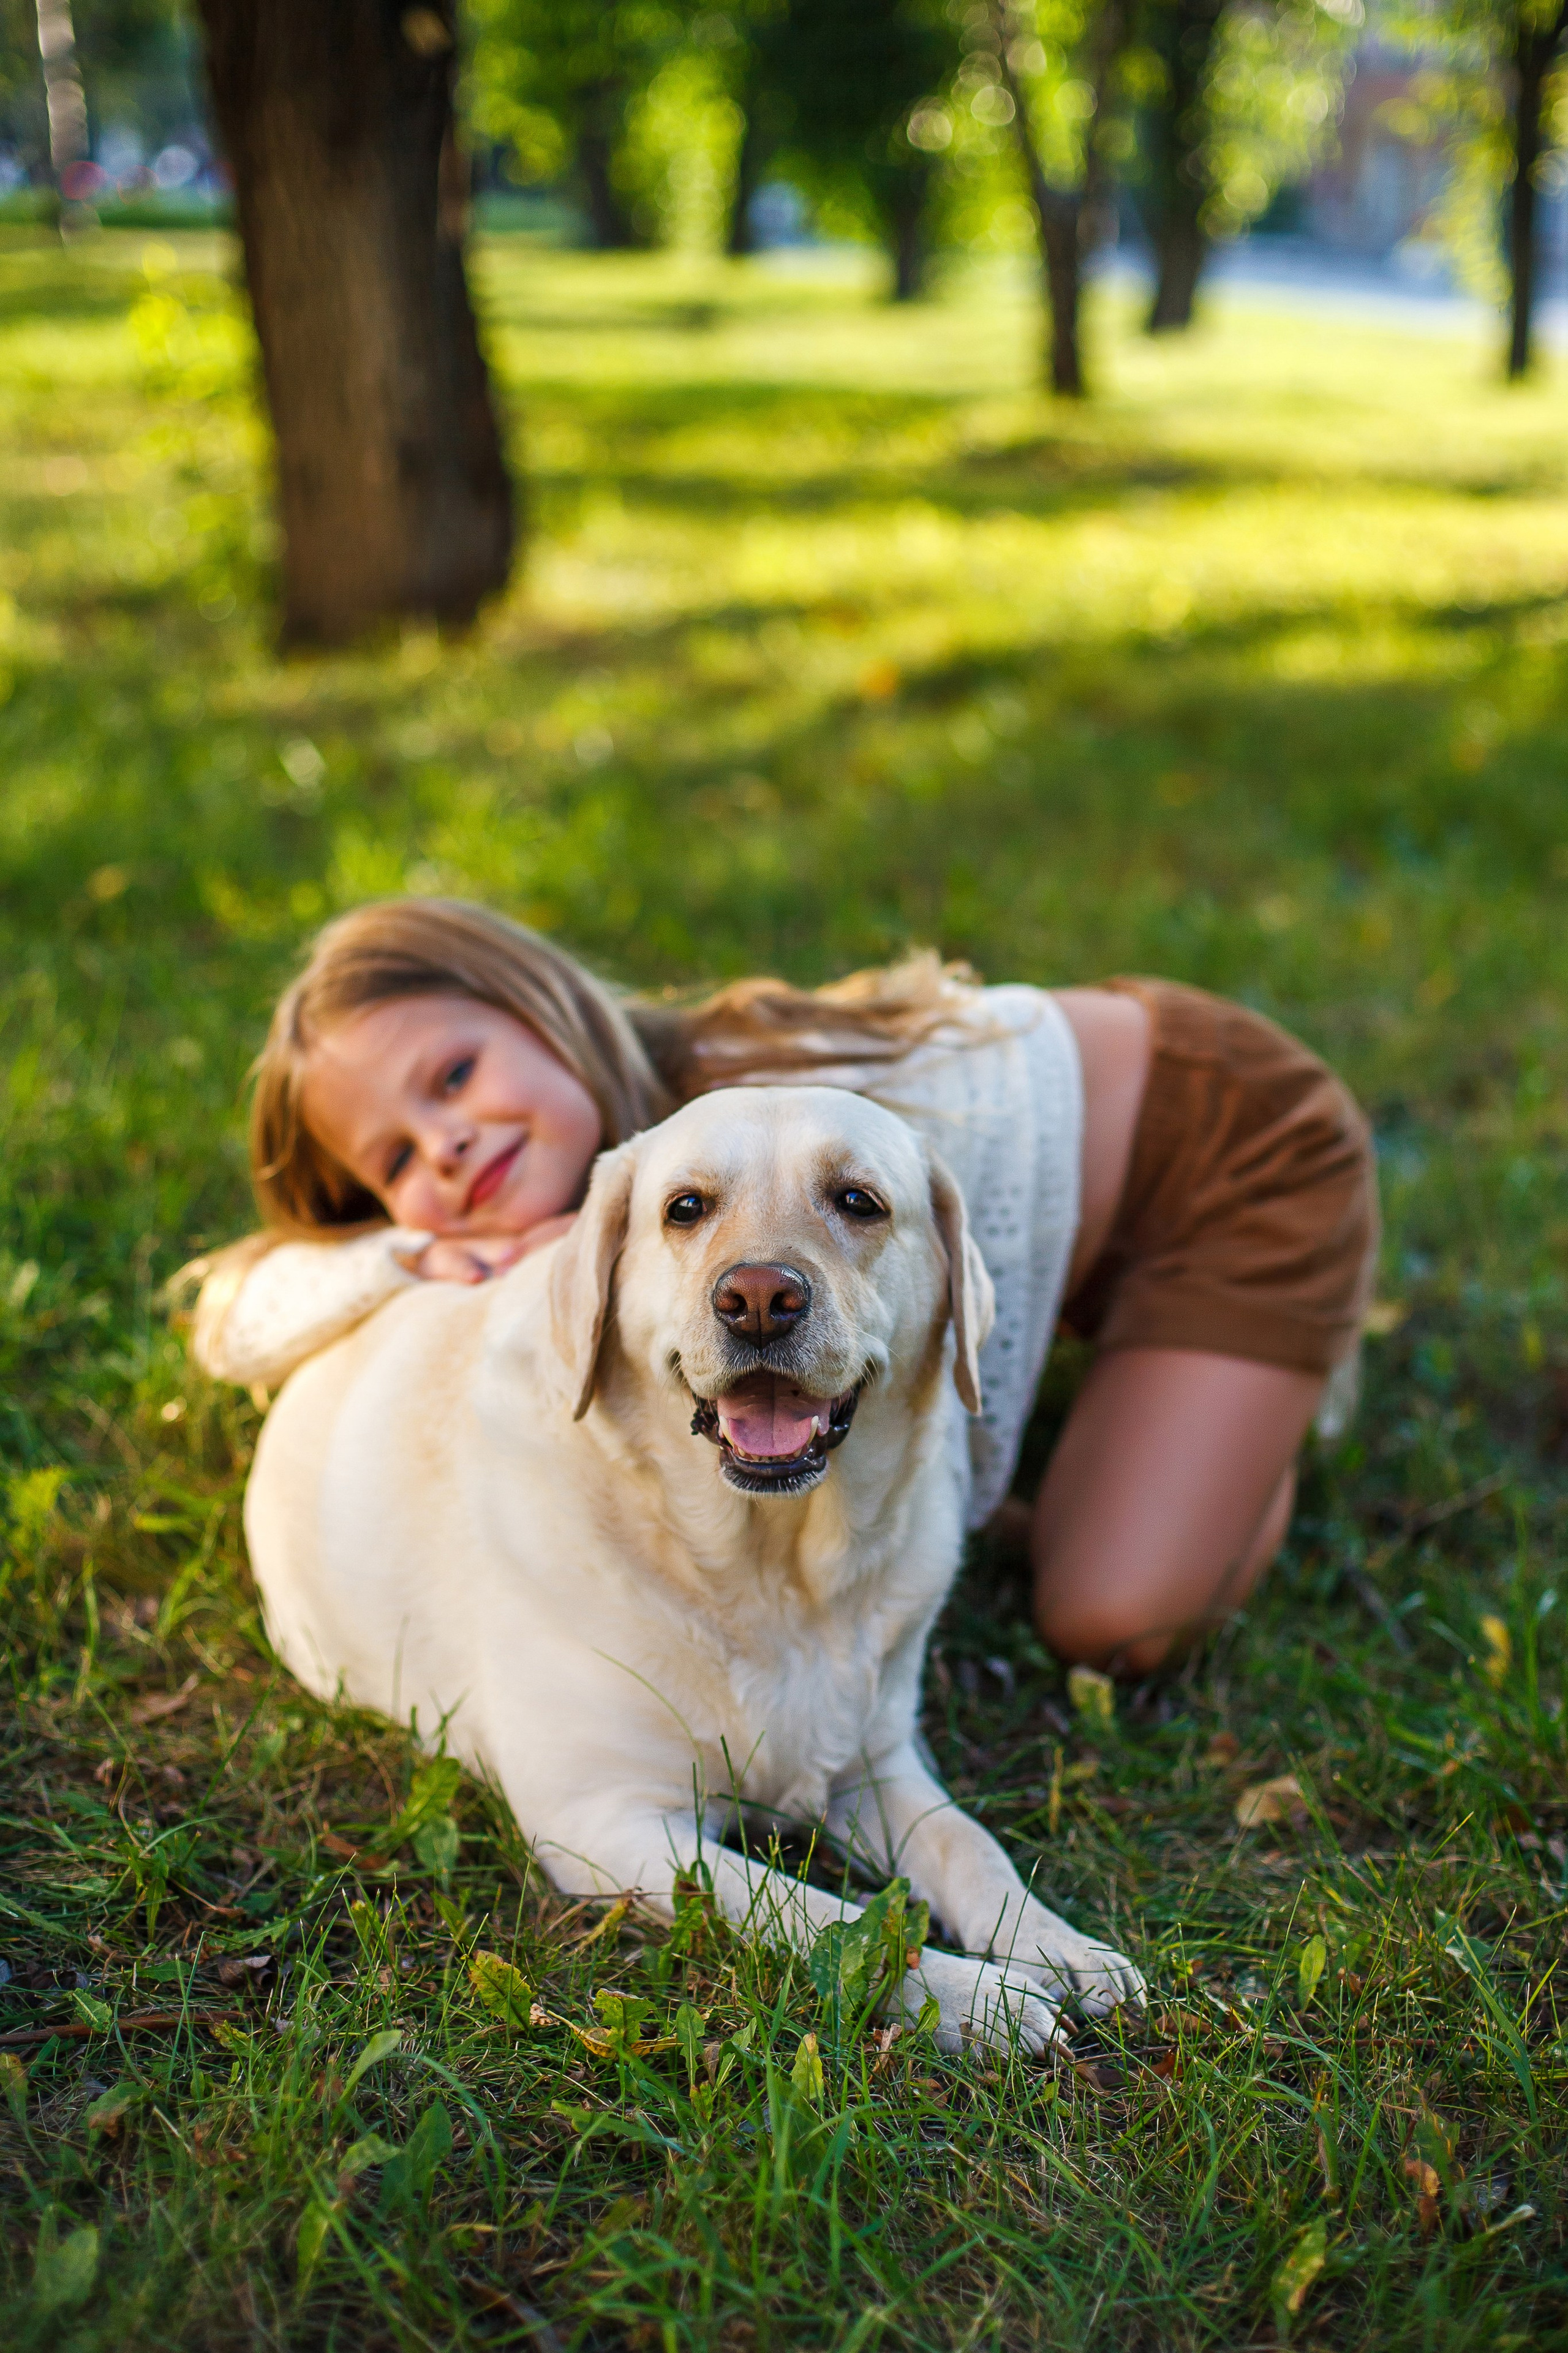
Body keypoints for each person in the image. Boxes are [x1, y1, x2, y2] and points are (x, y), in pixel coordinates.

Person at [188, 898, 1378, 1678]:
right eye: (394, 1161)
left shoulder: (757, 1118)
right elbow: (235, 1316)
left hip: (1228, 1144)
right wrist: (404, 1255)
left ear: (542, 1013)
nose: (444, 1144)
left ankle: (1270, 1412)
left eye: (452, 1073)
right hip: (1092, 1211)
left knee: (1114, 1618)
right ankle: (1158, 1403)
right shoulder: (571, 1211)